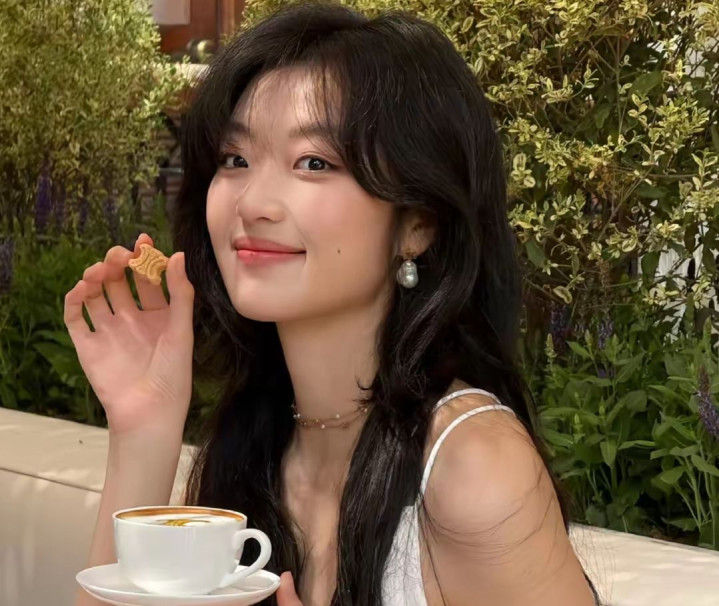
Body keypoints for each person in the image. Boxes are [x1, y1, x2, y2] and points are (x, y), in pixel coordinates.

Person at [67, 3, 601, 605]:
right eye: (236, 159)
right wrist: (144, 429)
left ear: (418, 224)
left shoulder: (474, 467)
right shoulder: (256, 446)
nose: (254, 204)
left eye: (314, 163)